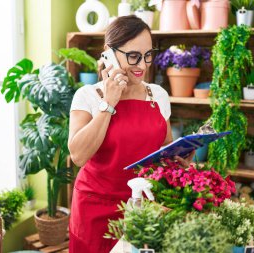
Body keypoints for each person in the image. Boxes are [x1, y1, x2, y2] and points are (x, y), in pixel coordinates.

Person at [68, 15, 194, 253]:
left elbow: (163, 147)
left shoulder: (158, 95)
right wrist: (109, 102)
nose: (142, 65)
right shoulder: (88, 96)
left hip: (145, 206)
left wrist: (178, 158)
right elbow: (78, 156)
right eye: (134, 56)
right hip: (96, 210)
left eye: (148, 55)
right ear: (109, 54)